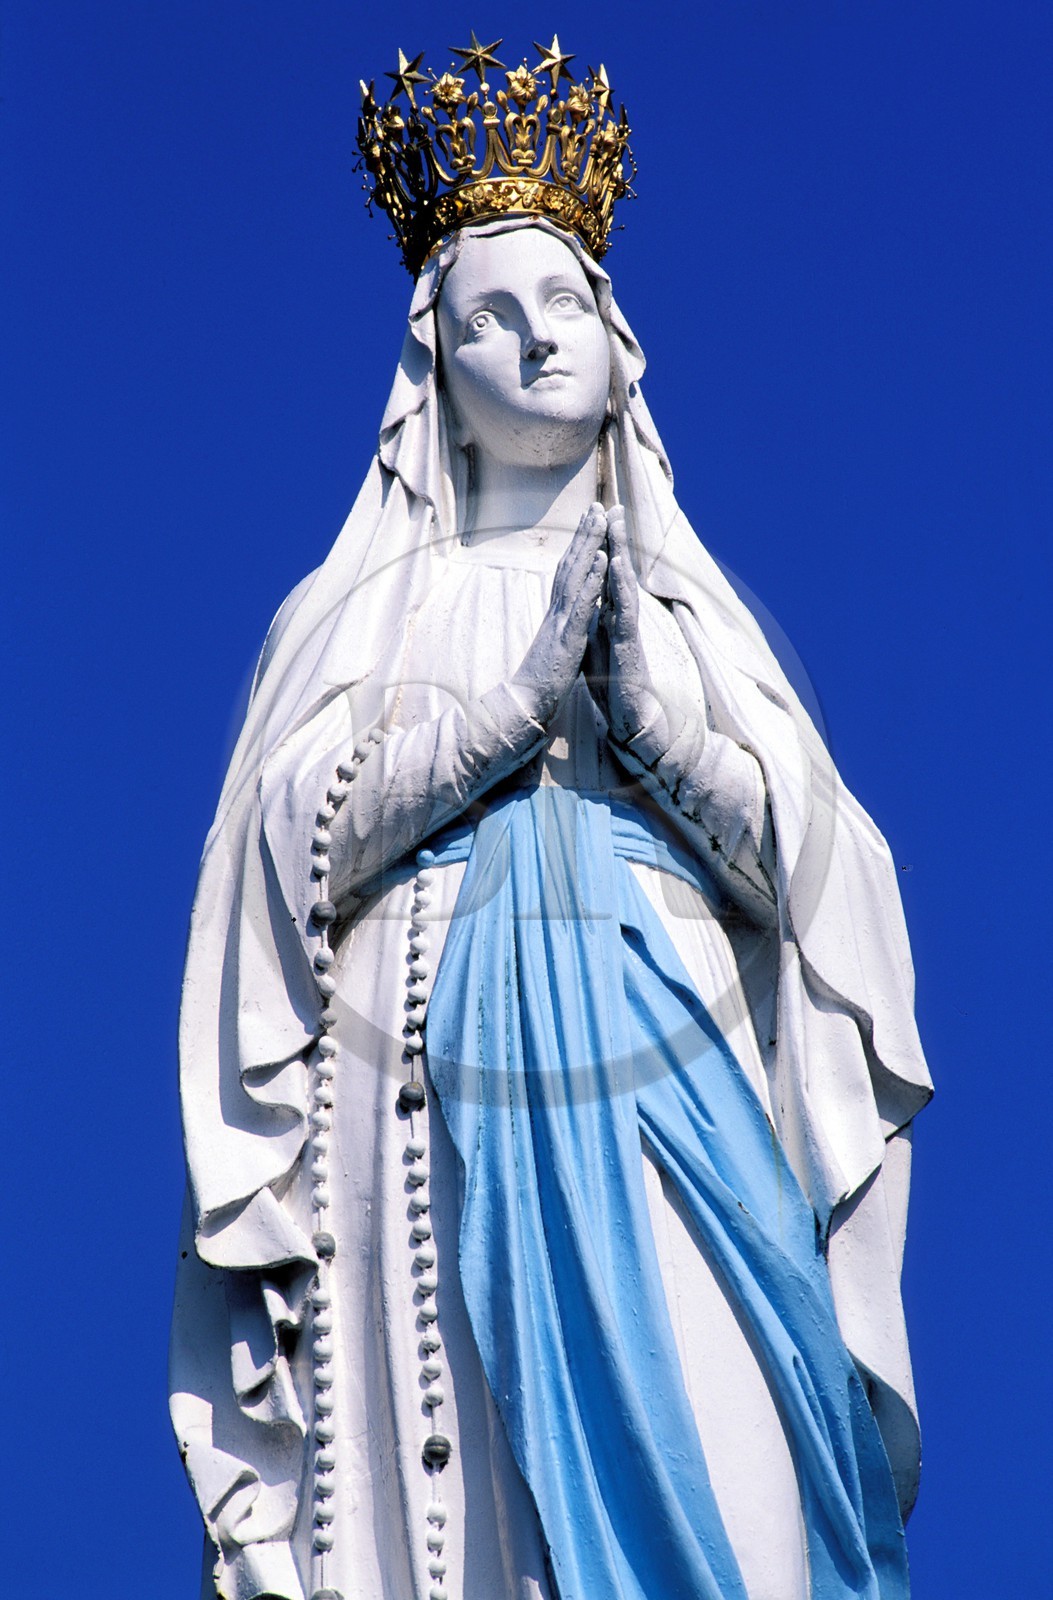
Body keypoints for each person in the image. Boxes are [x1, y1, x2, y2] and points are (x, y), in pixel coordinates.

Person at [171, 216, 932, 1600]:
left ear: (617, 344)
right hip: (419, 1076)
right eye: (486, 317)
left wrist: (653, 731)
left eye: (562, 303)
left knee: (731, 1447)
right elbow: (276, 856)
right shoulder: (352, 616)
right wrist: (501, 721)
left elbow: (825, 895)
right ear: (430, 376)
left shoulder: (695, 618)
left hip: (679, 1070)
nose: (532, 337)